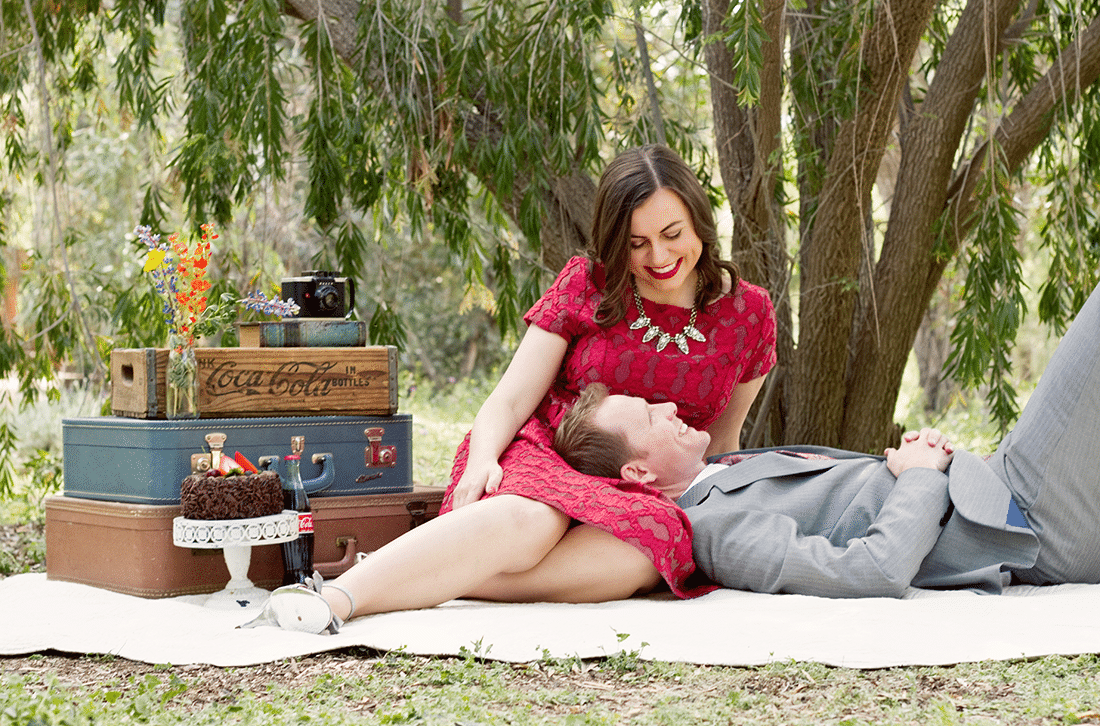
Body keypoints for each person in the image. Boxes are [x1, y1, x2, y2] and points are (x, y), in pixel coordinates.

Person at [241, 144, 776, 633]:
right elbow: (514, 397)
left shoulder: (749, 313)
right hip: (550, 447)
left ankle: (439, 571)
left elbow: (722, 445)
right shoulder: (588, 282)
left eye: (672, 234)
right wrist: (483, 460)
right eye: (637, 243)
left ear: (700, 223)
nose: (658, 258)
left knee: (642, 553)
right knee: (530, 521)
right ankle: (335, 599)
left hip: (646, 478)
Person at [551, 276, 1100, 598]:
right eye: (649, 416)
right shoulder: (712, 529)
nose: (669, 405)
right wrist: (920, 478)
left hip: (1000, 486)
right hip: (1025, 517)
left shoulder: (726, 470)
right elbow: (871, 572)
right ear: (638, 473)